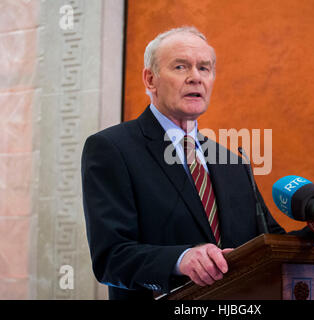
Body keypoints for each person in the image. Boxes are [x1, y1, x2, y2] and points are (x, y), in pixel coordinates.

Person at [81, 26, 289, 300]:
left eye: (205, 68)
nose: (195, 78)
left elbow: (269, 243)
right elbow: (111, 257)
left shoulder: (232, 162)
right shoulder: (112, 149)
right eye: (180, 67)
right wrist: (180, 260)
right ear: (150, 79)